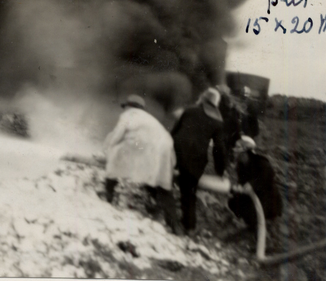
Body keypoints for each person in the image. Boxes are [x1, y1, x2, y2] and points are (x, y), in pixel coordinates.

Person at [103, 94, 182, 235]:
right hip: (164, 148)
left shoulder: (128, 115)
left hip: (143, 145)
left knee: (116, 154)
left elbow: (117, 135)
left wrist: (107, 149)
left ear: (129, 106)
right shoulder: (150, 119)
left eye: (125, 106)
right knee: (163, 184)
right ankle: (175, 225)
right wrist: (172, 165)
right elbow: (165, 140)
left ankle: (108, 194)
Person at [171, 87, 227, 234]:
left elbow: (174, 132)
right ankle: (189, 227)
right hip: (194, 161)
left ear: (203, 99)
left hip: (175, 154)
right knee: (189, 194)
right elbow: (219, 149)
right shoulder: (218, 122)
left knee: (165, 182)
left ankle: (158, 209)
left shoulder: (189, 110)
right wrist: (220, 170)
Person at [228, 136, 283, 232]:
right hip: (253, 196)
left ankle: (267, 224)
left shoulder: (260, 162)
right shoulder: (241, 166)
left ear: (244, 151)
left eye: (237, 149)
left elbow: (267, 176)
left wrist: (252, 184)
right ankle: (249, 224)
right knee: (233, 202)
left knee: (253, 213)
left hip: (268, 198)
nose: (234, 151)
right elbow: (242, 183)